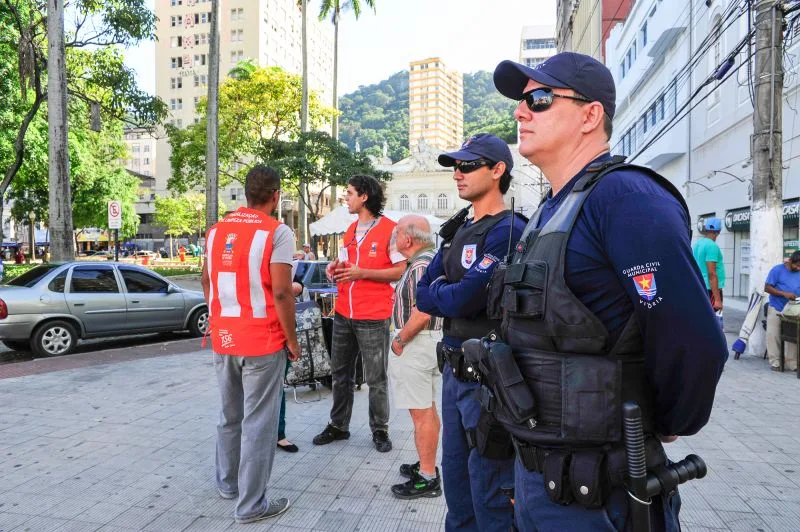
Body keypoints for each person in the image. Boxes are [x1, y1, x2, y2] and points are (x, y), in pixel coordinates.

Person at [486, 53, 728, 530]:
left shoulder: (626, 199)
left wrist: (670, 421)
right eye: (522, 101)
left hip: (603, 486)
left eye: (538, 99)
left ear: (590, 115)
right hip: (541, 475)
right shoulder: (548, 211)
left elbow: (694, 341)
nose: (520, 111)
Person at [415, 133, 526, 531]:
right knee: (458, 485)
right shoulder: (457, 228)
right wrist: (451, 291)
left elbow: (461, 300)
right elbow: (422, 294)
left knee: (491, 486)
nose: (457, 175)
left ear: (497, 171)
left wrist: (447, 291)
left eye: (467, 166)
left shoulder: (509, 229)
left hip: (488, 379)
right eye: (455, 167)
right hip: (452, 371)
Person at [201, 164, 300, 524]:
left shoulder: (216, 231)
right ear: (276, 196)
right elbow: (282, 292)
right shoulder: (278, 232)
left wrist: (217, 320)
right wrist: (292, 341)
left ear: (245, 194)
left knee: (230, 415)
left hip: (224, 337)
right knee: (260, 422)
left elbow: (206, 280)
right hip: (263, 340)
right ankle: (252, 505)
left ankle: (227, 485)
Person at [313, 174, 406, 452]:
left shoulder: (391, 229)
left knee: (376, 378)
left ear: (364, 196)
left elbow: (400, 270)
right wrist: (334, 267)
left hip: (373, 315)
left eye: (350, 193)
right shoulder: (350, 230)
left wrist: (362, 272)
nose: (346, 197)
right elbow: (345, 263)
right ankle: (339, 425)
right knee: (340, 374)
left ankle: (380, 430)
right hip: (343, 312)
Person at [387, 215, 444, 499]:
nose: (394, 238)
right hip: (423, 343)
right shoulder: (427, 261)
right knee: (427, 410)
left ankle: (427, 477)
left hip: (417, 343)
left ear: (408, 239)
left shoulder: (421, 265)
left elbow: (424, 309)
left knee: (421, 414)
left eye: (397, 233)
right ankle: (427, 464)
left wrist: (400, 339)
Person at [764, 251, 800, 371]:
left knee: (793, 334)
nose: (798, 268)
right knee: (773, 334)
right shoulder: (777, 270)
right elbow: (767, 287)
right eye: (797, 265)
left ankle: (792, 362)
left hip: (793, 308)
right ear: (790, 261)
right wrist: (784, 294)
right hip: (777, 306)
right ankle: (775, 361)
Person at [692, 218, 725, 319]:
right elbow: (712, 273)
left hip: (699, 286)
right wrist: (717, 299)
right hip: (710, 290)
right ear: (718, 232)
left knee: (701, 319)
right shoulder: (712, 246)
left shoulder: (697, 244)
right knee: (712, 321)